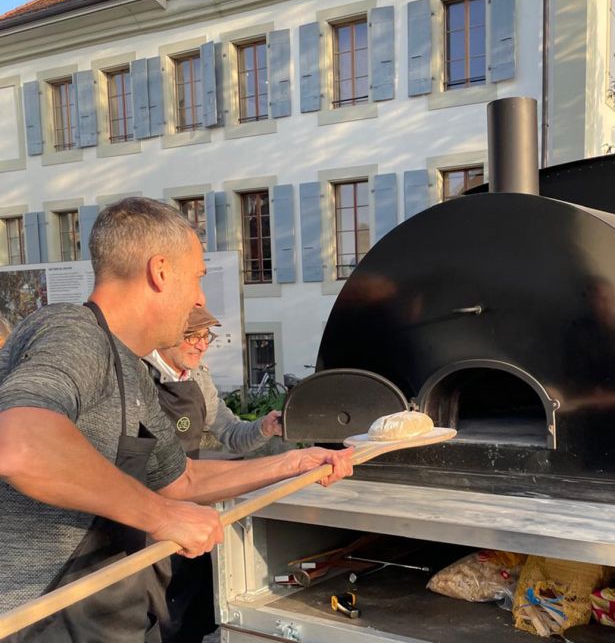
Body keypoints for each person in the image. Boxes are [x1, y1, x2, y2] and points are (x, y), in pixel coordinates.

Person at [0, 197, 353, 643]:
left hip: (107, 621)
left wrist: (295, 463)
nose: (200, 297)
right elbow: (23, 446)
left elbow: (180, 481)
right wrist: (163, 515)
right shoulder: (75, 332)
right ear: (161, 271)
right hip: (38, 622)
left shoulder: (131, 370)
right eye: (198, 277)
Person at [143, 305, 282, 642]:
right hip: (146, 515)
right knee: (154, 622)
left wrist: (264, 427)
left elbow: (232, 434)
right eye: (192, 336)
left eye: (206, 336)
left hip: (190, 509)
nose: (202, 344)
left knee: (190, 614)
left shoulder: (198, 377)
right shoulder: (138, 377)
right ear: (165, 333)